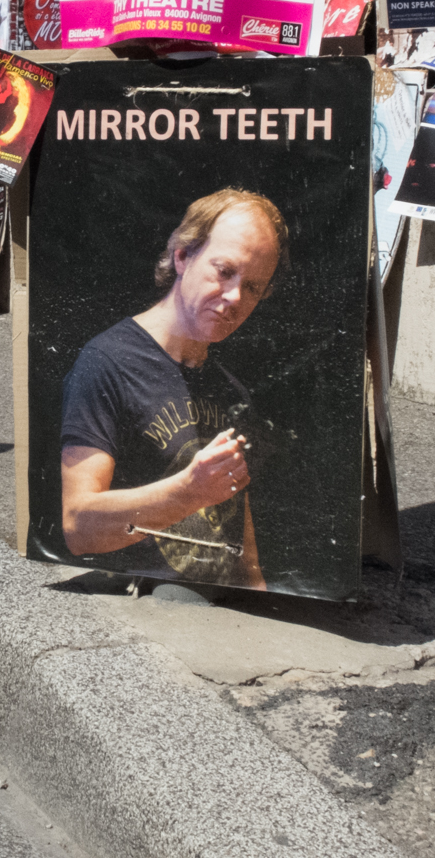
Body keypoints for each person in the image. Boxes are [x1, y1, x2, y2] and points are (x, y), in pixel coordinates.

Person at [59, 189, 286, 588]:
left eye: (252, 287)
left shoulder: (230, 391)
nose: (234, 298)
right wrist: (187, 492)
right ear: (182, 256)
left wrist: (259, 596)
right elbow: (79, 525)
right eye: (225, 271)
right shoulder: (106, 363)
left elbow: (240, 538)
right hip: (146, 613)